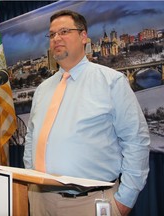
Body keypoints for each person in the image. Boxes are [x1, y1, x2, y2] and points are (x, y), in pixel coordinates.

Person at [23, 10, 150, 216]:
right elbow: (31, 137)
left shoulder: (111, 82)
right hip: (39, 200)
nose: (56, 38)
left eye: (64, 31)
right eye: (52, 34)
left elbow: (136, 140)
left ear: (84, 37)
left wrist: (125, 199)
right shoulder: (42, 89)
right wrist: (31, 177)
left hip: (89, 203)